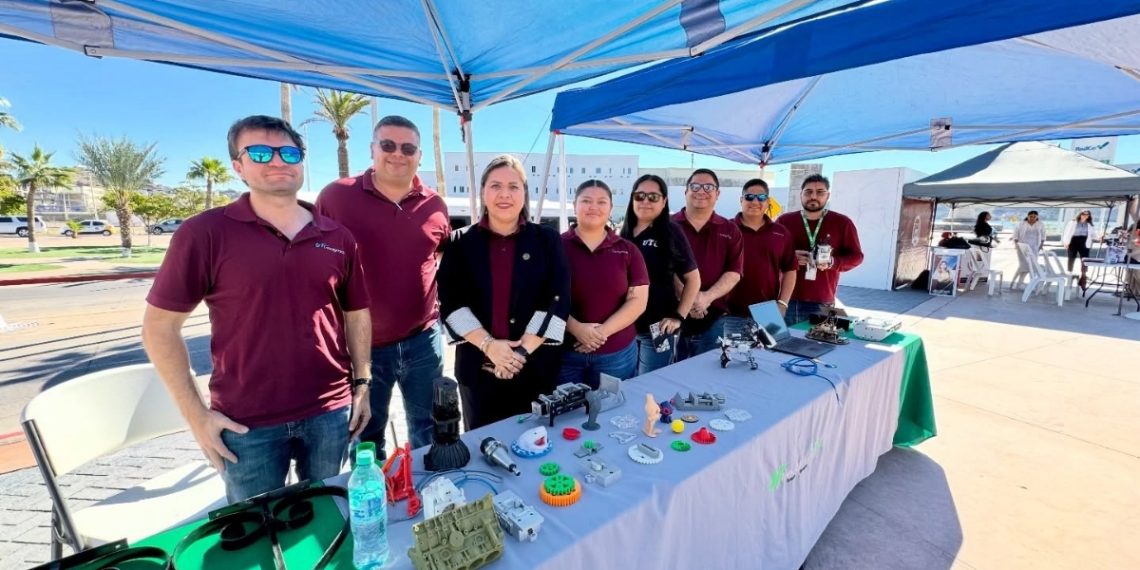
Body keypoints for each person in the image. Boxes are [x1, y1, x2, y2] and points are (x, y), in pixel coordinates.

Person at [142, 115, 373, 503]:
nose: (278, 161)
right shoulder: (205, 233)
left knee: (327, 520)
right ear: (238, 165)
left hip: (329, 414)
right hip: (247, 424)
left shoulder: (337, 236)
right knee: (255, 537)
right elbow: (159, 329)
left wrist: (362, 383)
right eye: (261, 153)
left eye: (289, 152)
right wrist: (197, 416)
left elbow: (356, 314)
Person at [315, 115, 449, 454]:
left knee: (429, 428)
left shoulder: (435, 204)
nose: (397, 154)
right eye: (388, 145)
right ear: (373, 149)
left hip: (424, 341)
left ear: (420, 156)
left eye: (408, 148)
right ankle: (376, 501)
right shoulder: (336, 197)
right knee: (366, 435)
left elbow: (440, 255)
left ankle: (429, 491)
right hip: (362, 348)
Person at [436, 155, 569, 430]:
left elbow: (557, 298)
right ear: (483, 192)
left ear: (524, 193)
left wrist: (519, 353)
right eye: (495, 185)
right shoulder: (460, 242)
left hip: (534, 367)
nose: (504, 194)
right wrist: (489, 346)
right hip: (478, 368)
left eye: (513, 186)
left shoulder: (547, 239)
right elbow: (451, 302)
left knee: (538, 443)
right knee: (482, 444)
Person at [561, 180, 649, 385]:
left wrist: (601, 333)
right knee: (566, 415)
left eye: (601, 202)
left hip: (616, 354)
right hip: (565, 353)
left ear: (610, 208)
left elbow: (638, 301)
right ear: (575, 205)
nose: (593, 207)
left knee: (613, 412)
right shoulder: (555, 245)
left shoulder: (628, 250)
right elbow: (542, 297)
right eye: (586, 201)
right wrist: (576, 329)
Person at [618, 174, 700, 374]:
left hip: (657, 329)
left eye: (653, 197)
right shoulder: (625, 233)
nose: (645, 201)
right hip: (624, 328)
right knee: (626, 385)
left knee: (649, 386)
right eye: (640, 196)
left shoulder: (671, 231)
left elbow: (694, 280)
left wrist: (678, 317)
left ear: (664, 202)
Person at [672, 169, 743, 361]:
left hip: (714, 318)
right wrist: (688, 298)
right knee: (666, 378)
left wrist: (705, 298)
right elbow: (661, 267)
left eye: (708, 187)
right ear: (685, 191)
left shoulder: (730, 229)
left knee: (707, 378)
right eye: (695, 186)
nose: (701, 191)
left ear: (717, 194)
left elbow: (734, 272)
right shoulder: (667, 226)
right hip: (671, 317)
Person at [776, 174, 864, 326]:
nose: (813, 196)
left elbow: (856, 256)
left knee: (817, 346)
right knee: (780, 345)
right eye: (808, 192)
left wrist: (832, 262)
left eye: (820, 192)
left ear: (828, 195)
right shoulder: (784, 221)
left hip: (822, 301)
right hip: (785, 299)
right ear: (801, 194)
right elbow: (770, 254)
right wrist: (790, 258)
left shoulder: (842, 223)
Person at [726, 178, 796, 325]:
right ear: (741, 200)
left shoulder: (781, 233)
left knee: (772, 348)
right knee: (732, 349)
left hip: (769, 312)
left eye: (761, 197)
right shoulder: (726, 229)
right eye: (749, 197)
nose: (755, 202)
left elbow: (790, 269)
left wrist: (782, 304)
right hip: (729, 312)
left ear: (768, 201)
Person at [1012, 210, 1047, 281]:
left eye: (1034, 216)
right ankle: (1020, 280)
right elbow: (1015, 234)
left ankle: (1032, 280)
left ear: (1037, 217)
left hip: (1035, 246)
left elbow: (1043, 235)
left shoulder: (1040, 224)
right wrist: (1016, 244)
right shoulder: (1021, 224)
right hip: (1023, 246)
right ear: (1027, 216)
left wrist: (1041, 245)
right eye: (1031, 216)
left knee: (1033, 263)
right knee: (1024, 264)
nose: (1032, 218)